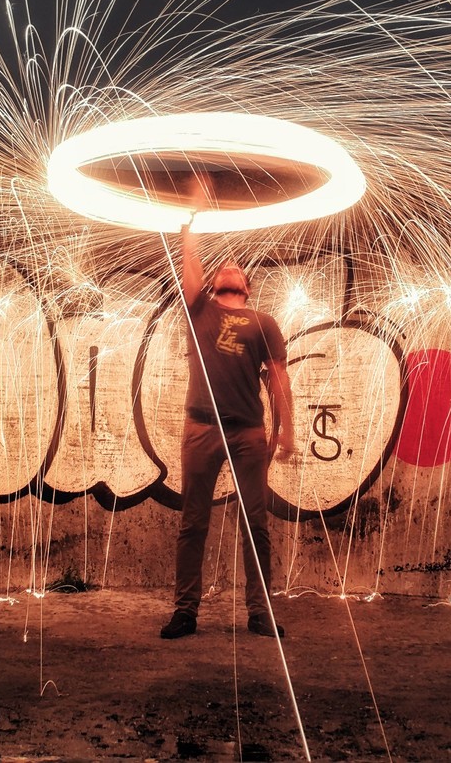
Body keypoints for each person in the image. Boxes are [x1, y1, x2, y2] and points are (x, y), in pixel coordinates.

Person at [160, 174, 295, 640]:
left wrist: (288, 431)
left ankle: (259, 613)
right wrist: (192, 215)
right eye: (225, 267)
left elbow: (279, 380)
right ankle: (185, 612)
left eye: (239, 268)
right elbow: (191, 256)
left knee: (255, 525)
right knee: (193, 521)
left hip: (248, 435)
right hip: (200, 430)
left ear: (247, 287)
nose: (232, 265)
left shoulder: (264, 322)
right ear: (217, 283)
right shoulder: (199, 309)